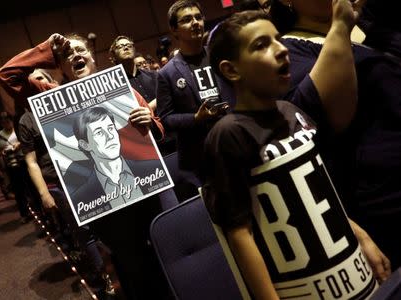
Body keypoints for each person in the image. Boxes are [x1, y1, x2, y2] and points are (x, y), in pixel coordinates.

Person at [203, 5, 391, 299]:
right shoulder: (229, 133)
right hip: (302, 285)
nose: (281, 50)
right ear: (231, 69)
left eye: (278, 39)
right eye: (262, 45)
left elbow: (320, 190)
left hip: (351, 271)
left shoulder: (292, 112)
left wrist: (362, 237)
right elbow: (239, 232)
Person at [0, 32, 168, 299]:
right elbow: (6, 76)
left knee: (162, 257)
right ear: (59, 66)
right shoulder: (52, 96)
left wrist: (150, 121)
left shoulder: (121, 87)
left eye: (80, 50)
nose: (76, 55)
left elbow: (157, 132)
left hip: (145, 189)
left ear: (92, 56)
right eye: (67, 55)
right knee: (130, 266)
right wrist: (47, 50)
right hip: (102, 201)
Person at [270, 0, 401, 270]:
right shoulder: (289, 52)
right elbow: (331, 118)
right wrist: (340, 25)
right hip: (382, 203)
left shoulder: (369, 28)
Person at [156, 0, 233, 185]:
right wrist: (196, 118)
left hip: (234, 139)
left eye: (198, 17)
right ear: (174, 30)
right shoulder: (166, 73)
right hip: (203, 157)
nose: (195, 23)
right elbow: (166, 118)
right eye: (187, 20)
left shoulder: (220, 56)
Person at [0, 112, 31, 223]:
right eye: (3, 123)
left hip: (25, 161)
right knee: (18, 191)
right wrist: (2, 151)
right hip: (11, 165)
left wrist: (18, 144)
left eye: (8, 121)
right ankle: (24, 213)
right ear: (0, 123)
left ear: (11, 120)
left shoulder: (18, 130)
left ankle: (38, 210)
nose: (6, 124)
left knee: (30, 186)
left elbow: (27, 140)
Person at [109, 35, 158, 111]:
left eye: (129, 45)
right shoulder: (114, 85)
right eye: (120, 47)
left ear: (134, 51)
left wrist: (148, 108)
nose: (126, 48)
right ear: (113, 55)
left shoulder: (153, 75)